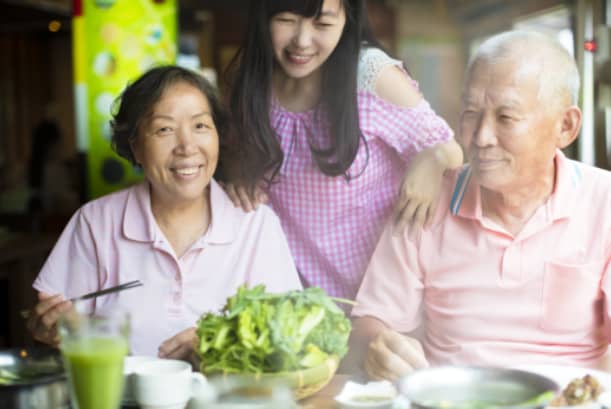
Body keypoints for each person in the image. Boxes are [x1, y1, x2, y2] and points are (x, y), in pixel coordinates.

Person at [347, 30, 611, 380]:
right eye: (471, 112)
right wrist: (377, 347)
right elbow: (373, 321)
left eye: (506, 118)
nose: (481, 137)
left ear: (566, 126)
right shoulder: (427, 202)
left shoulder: (604, 202)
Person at [26, 66, 302, 358]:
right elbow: (62, 325)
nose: (186, 147)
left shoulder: (255, 224)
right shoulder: (95, 223)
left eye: (200, 126)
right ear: (135, 147)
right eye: (164, 129)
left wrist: (220, 343)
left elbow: (289, 334)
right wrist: (54, 329)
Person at [223, 0, 463, 300]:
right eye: (285, 20)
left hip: (384, 301)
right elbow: (238, 164)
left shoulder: (369, 76)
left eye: (322, 24)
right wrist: (237, 184)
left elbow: (450, 149)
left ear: (347, 19)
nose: (301, 41)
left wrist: (434, 158)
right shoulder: (253, 81)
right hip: (300, 306)